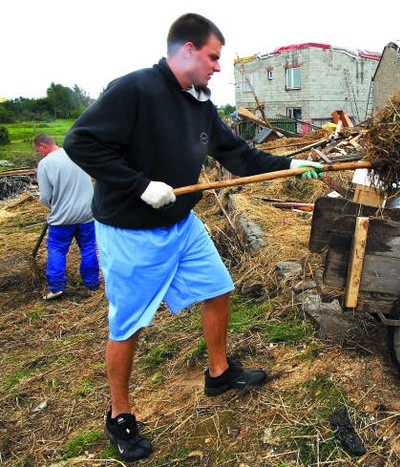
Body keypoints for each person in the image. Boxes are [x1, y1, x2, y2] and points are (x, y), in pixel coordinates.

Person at [63, 13, 323, 462]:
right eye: (213, 57)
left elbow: (235, 153)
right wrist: (139, 184)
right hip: (130, 230)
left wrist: (288, 165)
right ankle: (119, 414)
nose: (218, 67)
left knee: (218, 288)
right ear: (186, 50)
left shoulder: (198, 102)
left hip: (182, 225)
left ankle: (219, 372)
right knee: (128, 324)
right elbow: (80, 142)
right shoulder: (134, 89)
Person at [33, 133, 100, 300]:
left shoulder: (45, 163)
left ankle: (56, 286)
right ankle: (92, 284)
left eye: (37, 150)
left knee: (57, 249)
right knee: (89, 248)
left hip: (62, 218)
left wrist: (54, 207)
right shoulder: (76, 154)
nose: (38, 154)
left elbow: (46, 196)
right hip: (87, 214)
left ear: (42, 146)